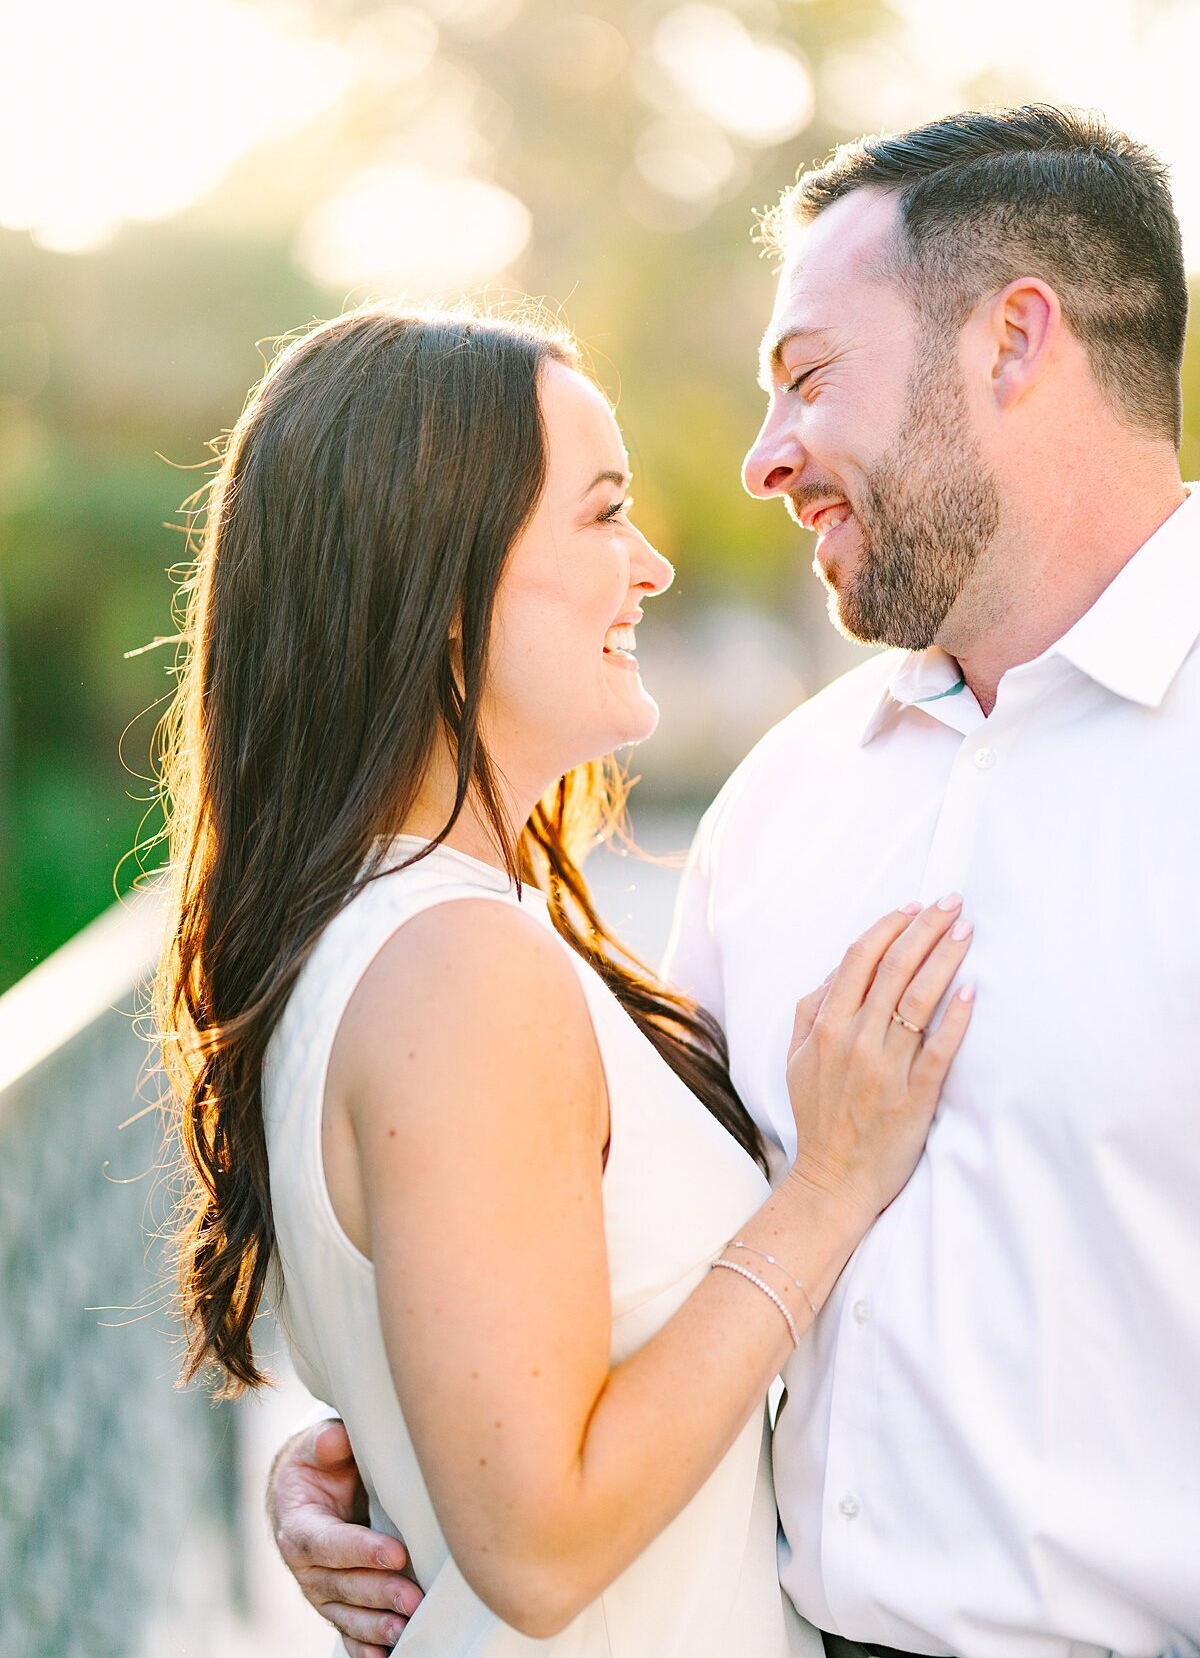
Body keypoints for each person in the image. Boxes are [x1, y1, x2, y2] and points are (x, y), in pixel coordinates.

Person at [270, 105, 1200, 1658]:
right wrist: (381, 1457)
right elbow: (610, 1251)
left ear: (1016, 343)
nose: (764, 458)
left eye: (809, 378)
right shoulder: (783, 801)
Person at [156, 305, 979, 1657]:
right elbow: (539, 1548)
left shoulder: (381, 931)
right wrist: (828, 1189)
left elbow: (508, 1395)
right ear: (439, 579)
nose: (649, 566)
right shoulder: (457, 967)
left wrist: (387, 1444)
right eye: (602, 515)